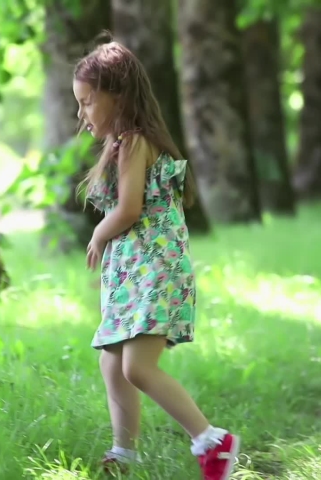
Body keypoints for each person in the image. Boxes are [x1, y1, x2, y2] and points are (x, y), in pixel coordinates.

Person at [72, 39, 240, 480]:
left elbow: (128, 210)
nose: (82, 113)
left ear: (118, 96)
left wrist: (98, 232)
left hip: (155, 271)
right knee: (112, 363)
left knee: (136, 366)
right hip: (136, 273)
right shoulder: (122, 144)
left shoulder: (135, 142)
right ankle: (123, 454)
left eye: (88, 102)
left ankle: (212, 440)